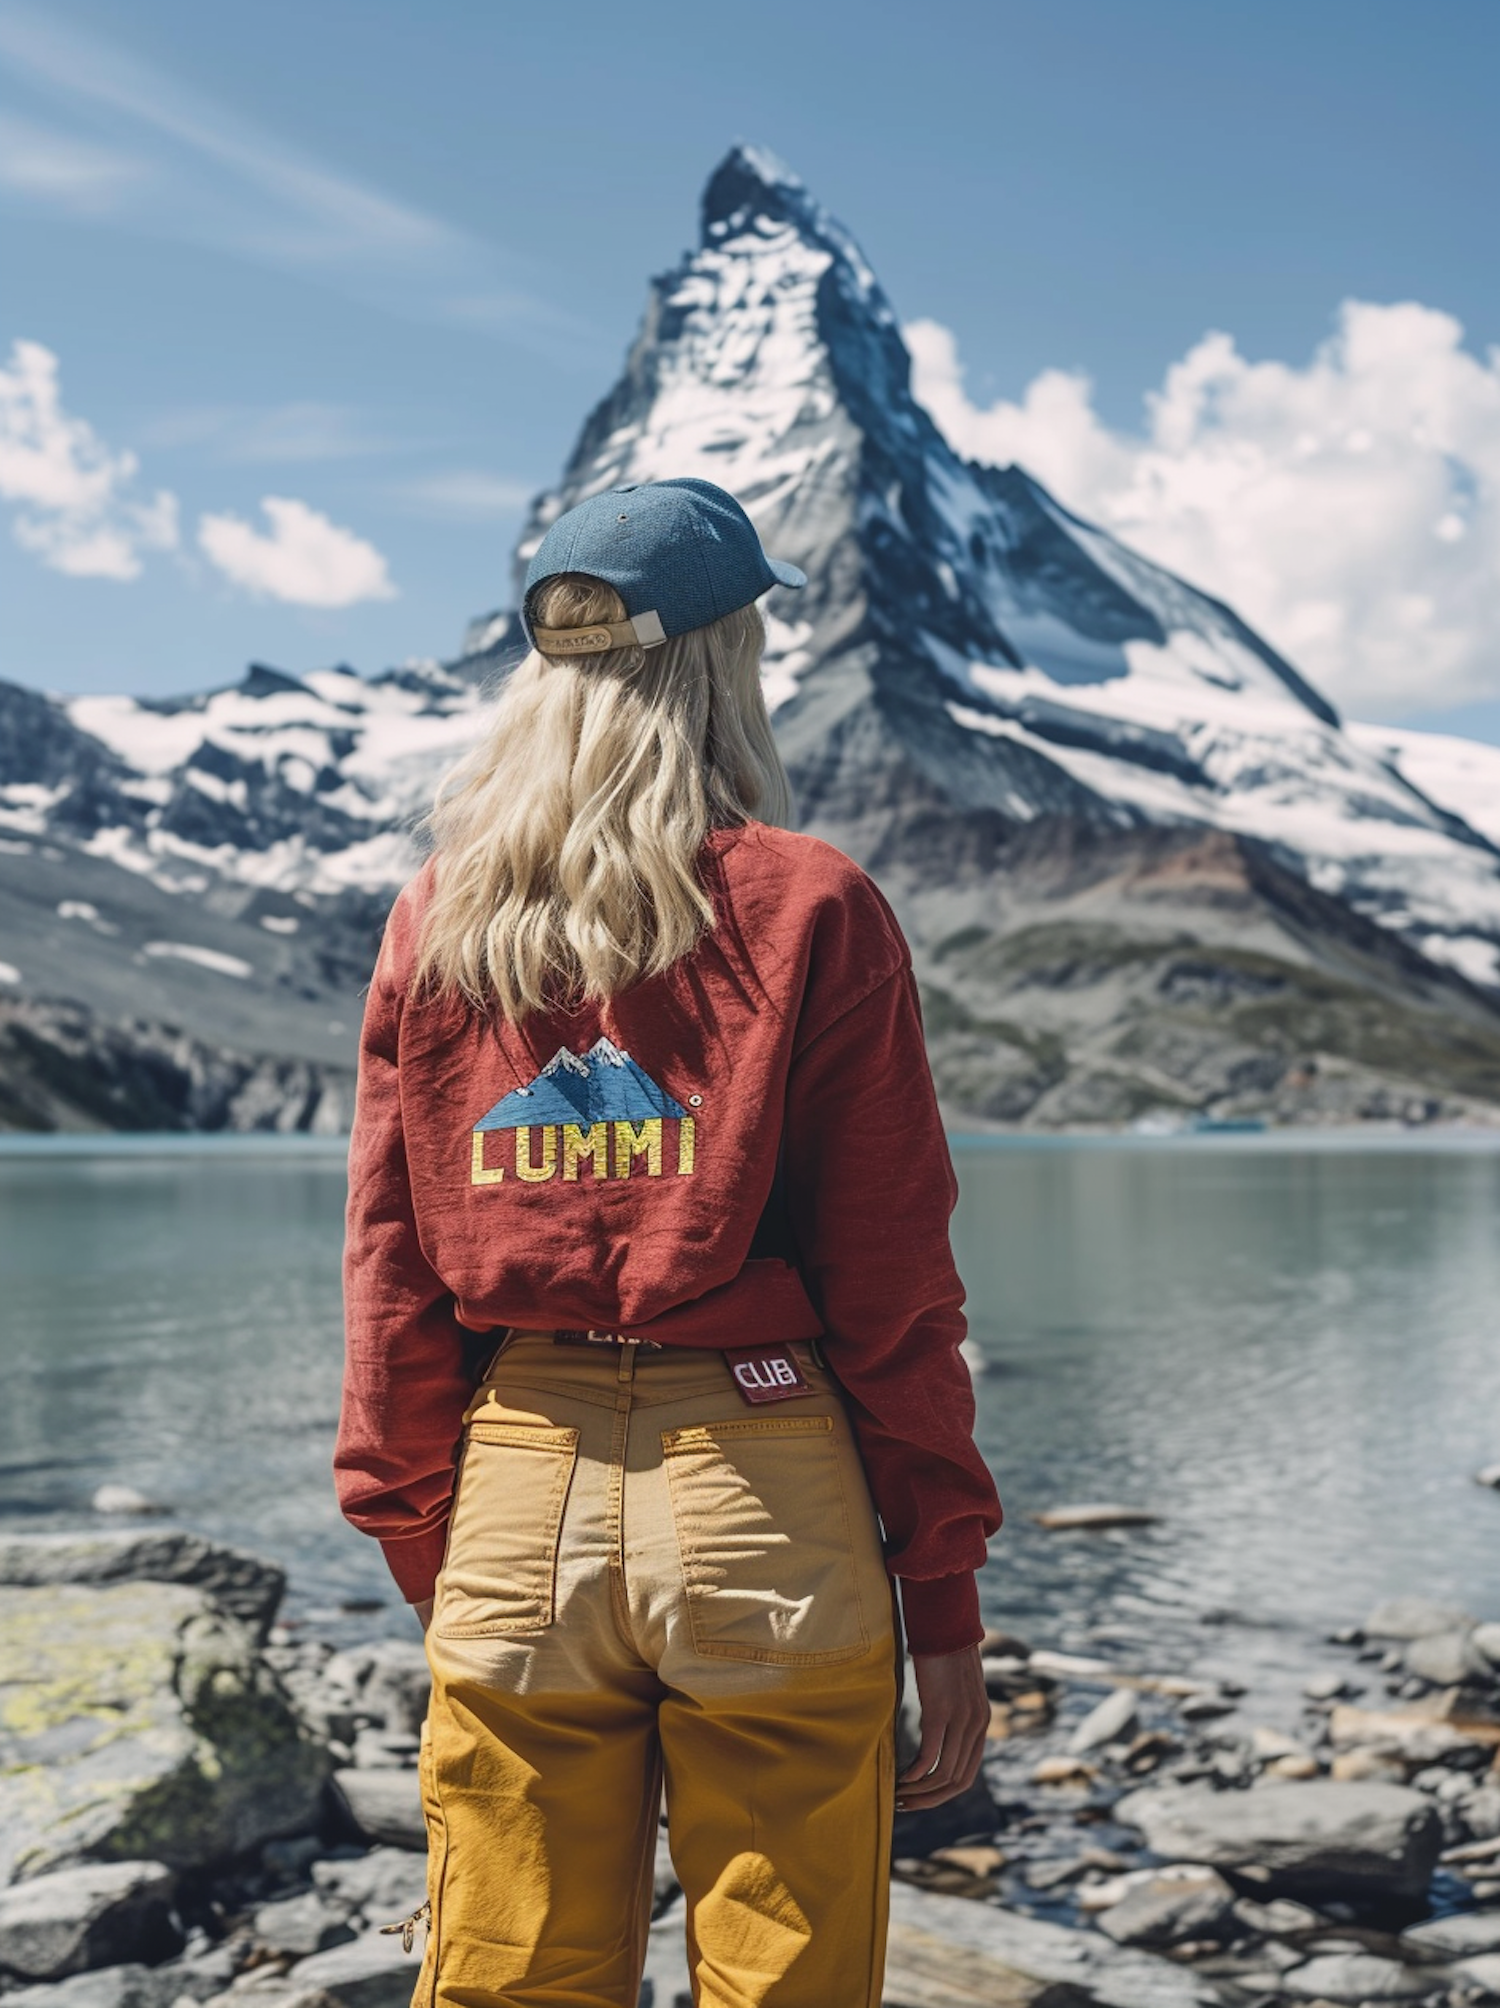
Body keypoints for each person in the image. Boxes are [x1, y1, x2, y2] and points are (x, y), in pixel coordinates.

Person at [335, 477, 1004, 2008]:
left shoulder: (440, 918)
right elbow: (898, 1291)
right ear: (728, 660)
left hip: (517, 1485)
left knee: (509, 1975)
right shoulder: (814, 904)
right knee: (786, 1979)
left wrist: (425, 1542)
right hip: (767, 1486)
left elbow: (390, 1271)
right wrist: (943, 1594)